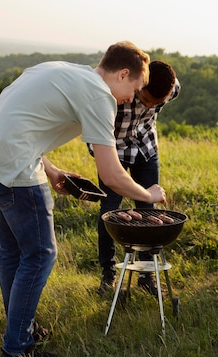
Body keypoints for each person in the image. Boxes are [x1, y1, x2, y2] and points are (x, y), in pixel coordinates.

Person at [0, 41, 167, 357]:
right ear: (123, 74)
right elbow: (111, 174)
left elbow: (15, 120)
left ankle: (22, 332)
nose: (133, 97)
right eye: (134, 88)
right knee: (41, 254)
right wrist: (149, 194)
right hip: (13, 169)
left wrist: (52, 170)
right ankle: (16, 354)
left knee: (13, 251)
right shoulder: (101, 97)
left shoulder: (58, 69)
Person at [90, 60, 181, 296]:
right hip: (114, 152)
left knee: (149, 212)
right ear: (141, 83)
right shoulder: (117, 92)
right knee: (109, 212)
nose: (149, 106)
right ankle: (108, 275)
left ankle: (146, 274)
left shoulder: (172, 89)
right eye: (146, 99)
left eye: (156, 104)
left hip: (146, 150)